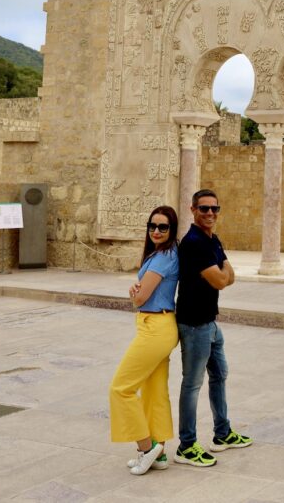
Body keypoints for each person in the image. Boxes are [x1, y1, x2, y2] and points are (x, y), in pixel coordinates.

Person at [173, 189, 251, 467]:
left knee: (219, 375)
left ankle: (222, 433)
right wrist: (222, 273)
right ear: (192, 209)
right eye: (204, 208)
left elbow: (231, 275)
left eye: (214, 209)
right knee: (192, 384)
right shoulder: (194, 242)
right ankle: (186, 445)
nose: (210, 213)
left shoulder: (212, 239)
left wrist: (222, 273)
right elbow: (221, 280)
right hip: (194, 324)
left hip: (210, 322)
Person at [109, 205, 181, 475]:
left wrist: (135, 294)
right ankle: (159, 455)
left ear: (171, 230)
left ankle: (146, 447)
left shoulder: (165, 256)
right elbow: (142, 292)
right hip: (156, 324)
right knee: (154, 392)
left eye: (163, 227)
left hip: (156, 327)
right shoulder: (160, 254)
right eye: (152, 226)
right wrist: (137, 291)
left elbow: (140, 298)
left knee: (121, 388)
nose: (156, 231)